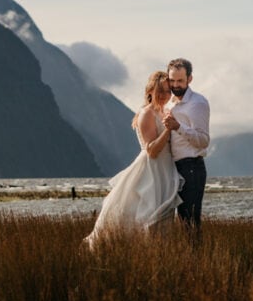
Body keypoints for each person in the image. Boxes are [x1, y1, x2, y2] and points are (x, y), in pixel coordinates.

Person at [83, 70, 183, 247]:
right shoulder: (147, 113)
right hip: (152, 172)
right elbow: (151, 150)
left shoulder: (163, 112)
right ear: (150, 90)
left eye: (168, 91)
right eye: (161, 91)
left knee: (164, 218)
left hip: (166, 171)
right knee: (148, 215)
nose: (165, 95)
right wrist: (168, 130)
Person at [161, 58, 210, 232]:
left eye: (180, 80)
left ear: (190, 79)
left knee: (190, 223)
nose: (175, 85)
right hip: (172, 168)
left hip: (192, 167)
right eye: (172, 80)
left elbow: (204, 140)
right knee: (178, 223)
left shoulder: (198, 103)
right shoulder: (169, 103)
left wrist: (178, 127)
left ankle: (197, 258)